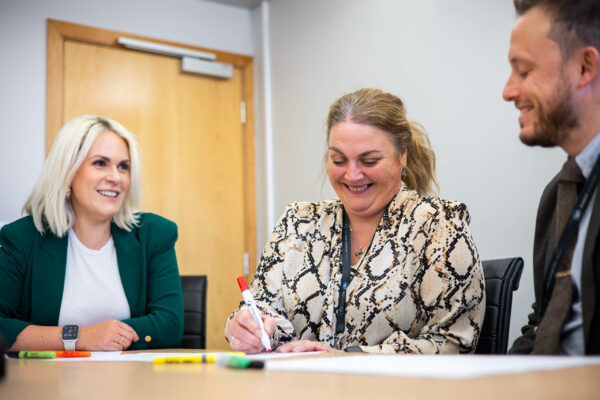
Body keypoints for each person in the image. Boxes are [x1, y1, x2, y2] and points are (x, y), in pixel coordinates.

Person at [225, 88, 485, 354]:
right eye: (338, 160)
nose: (352, 175)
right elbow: (261, 308)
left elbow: (453, 343)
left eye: (369, 160)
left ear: (402, 155)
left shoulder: (438, 225)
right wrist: (250, 329)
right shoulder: (298, 222)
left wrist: (347, 357)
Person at [0, 115, 184, 351]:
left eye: (123, 167)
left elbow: (170, 326)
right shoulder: (22, 239)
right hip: (48, 375)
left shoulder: (154, 234)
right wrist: (80, 337)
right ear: (67, 171)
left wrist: (110, 336)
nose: (115, 177)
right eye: (100, 163)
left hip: (130, 374)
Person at [503, 0, 600, 355]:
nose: (508, 91)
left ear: (584, 67)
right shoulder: (558, 194)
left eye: (524, 71)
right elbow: (543, 323)